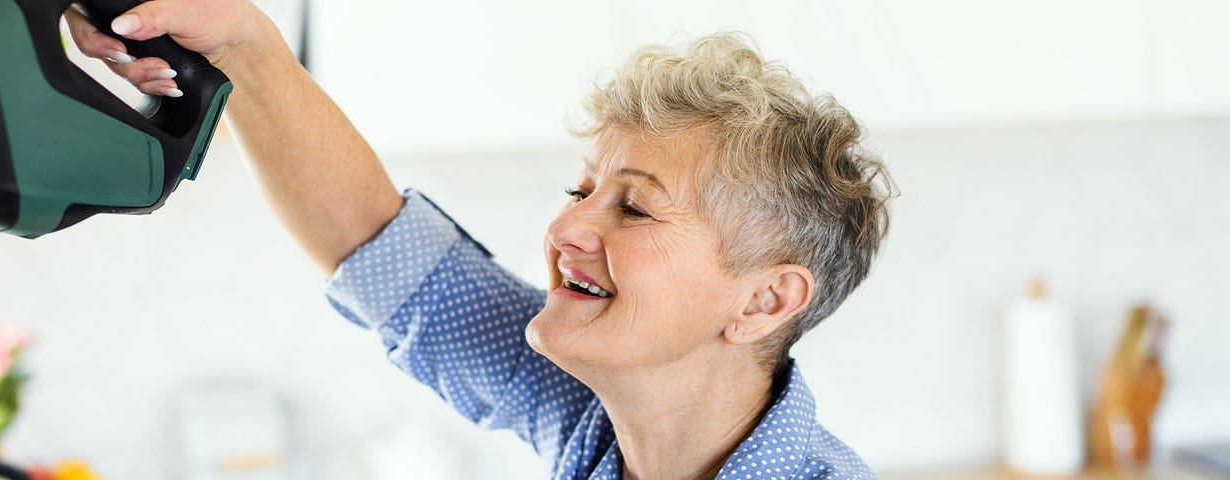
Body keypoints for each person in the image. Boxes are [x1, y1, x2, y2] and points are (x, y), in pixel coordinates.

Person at [67, 1, 891, 478]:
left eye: (633, 210)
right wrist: (240, 45)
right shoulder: (599, 423)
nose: (567, 226)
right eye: (581, 191)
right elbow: (385, 255)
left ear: (764, 299)